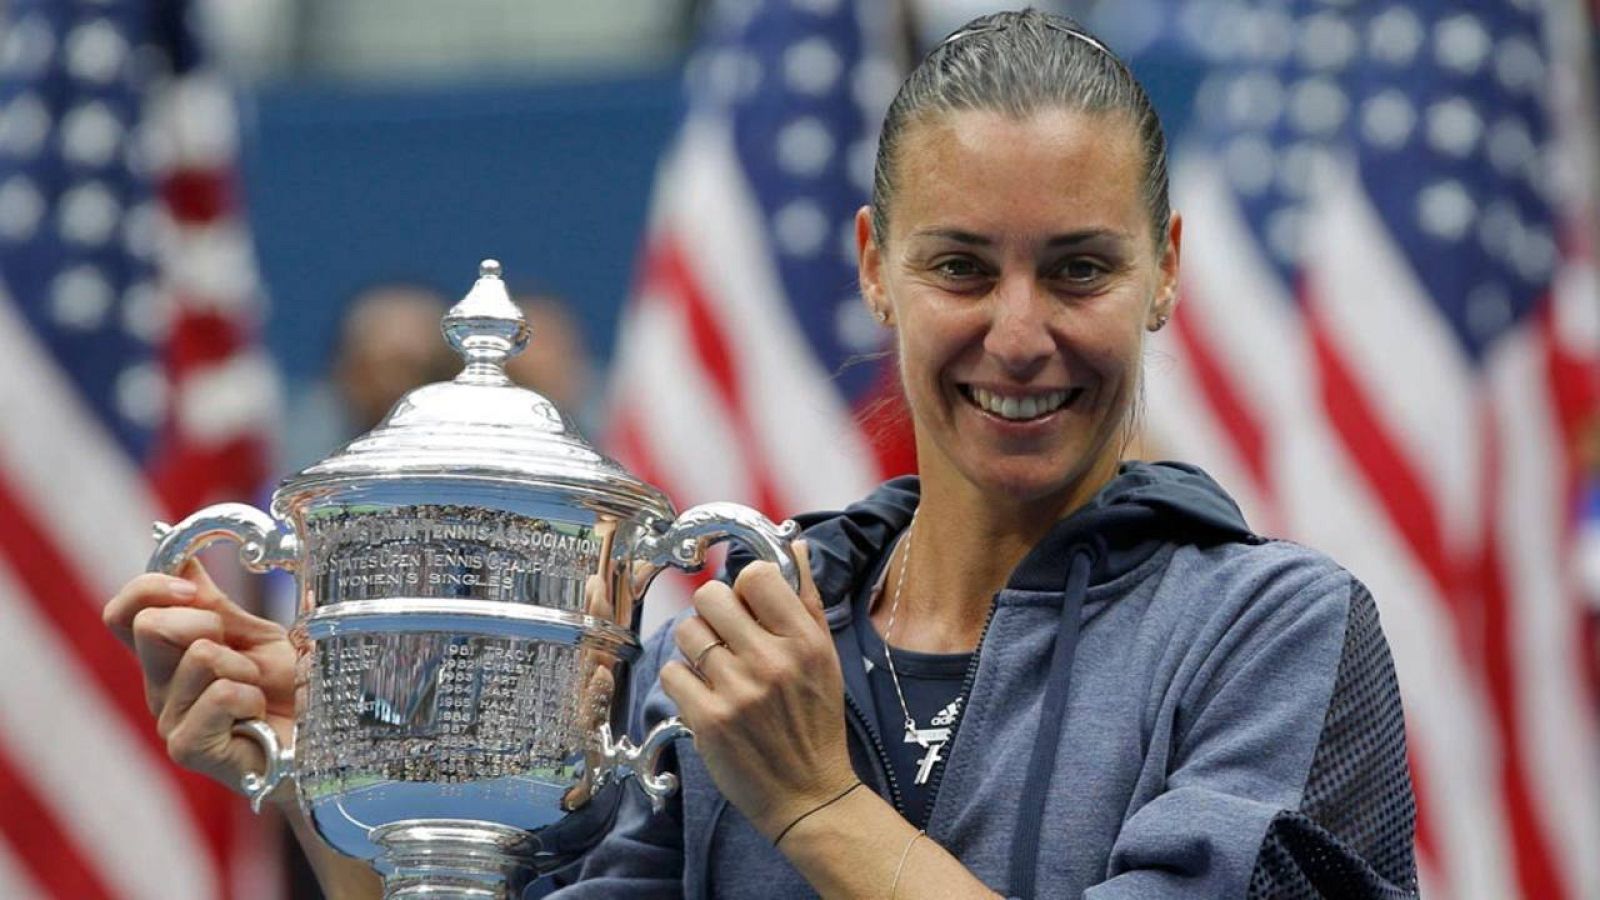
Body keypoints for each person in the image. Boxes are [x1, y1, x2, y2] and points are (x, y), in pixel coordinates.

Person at [104, 10, 1417, 898]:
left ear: (1165, 273)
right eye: (961, 266)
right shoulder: (734, 651)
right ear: (875, 270)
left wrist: (816, 809)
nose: (1019, 336)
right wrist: (358, 799)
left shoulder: (1277, 631)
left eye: (1077, 269)